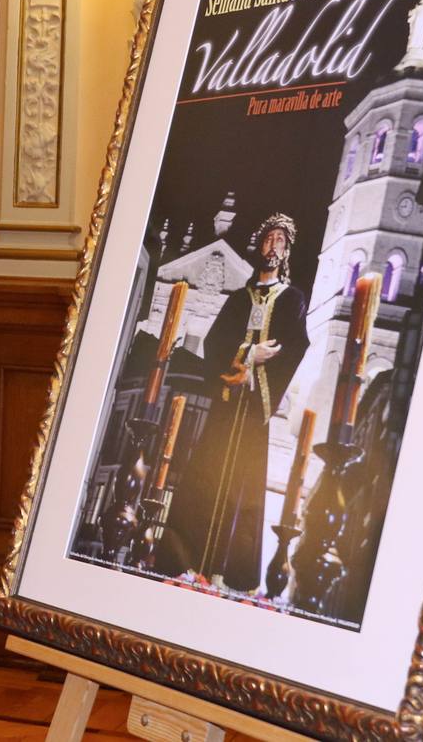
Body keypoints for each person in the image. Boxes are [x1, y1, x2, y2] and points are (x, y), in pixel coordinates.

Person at [156, 213, 309, 593]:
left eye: (281, 242)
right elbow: (214, 341)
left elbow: (294, 344)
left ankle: (231, 571)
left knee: (244, 487)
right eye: (269, 239)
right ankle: (185, 561)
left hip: (254, 410)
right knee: (206, 476)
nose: (273, 246)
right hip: (226, 406)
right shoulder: (239, 299)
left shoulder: (291, 299)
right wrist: (246, 353)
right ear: (259, 246)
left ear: (286, 252)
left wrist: (258, 371)